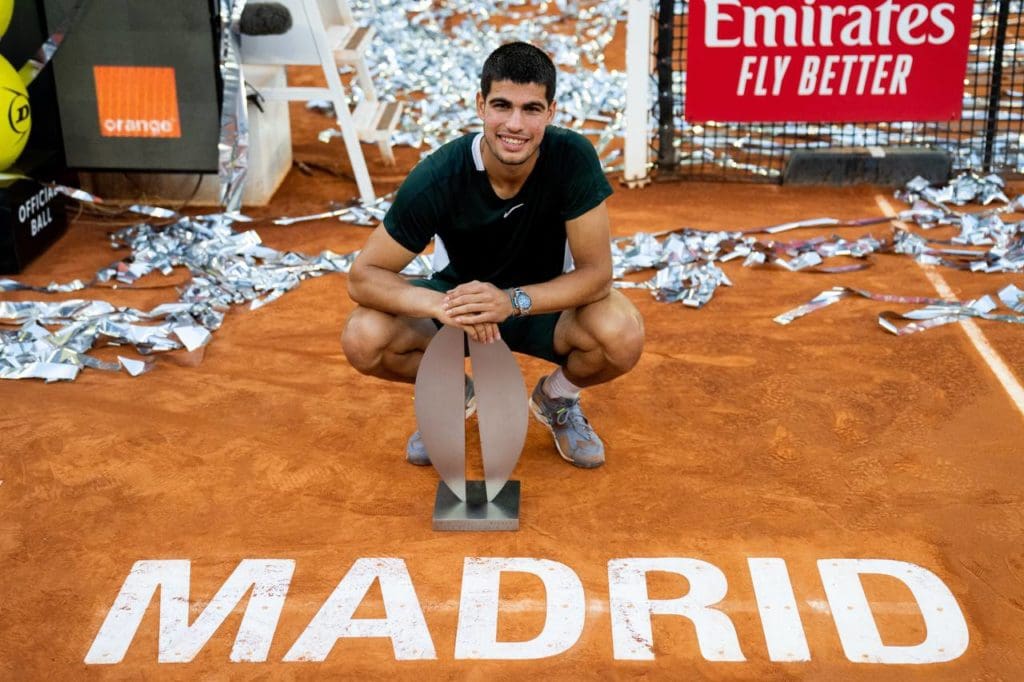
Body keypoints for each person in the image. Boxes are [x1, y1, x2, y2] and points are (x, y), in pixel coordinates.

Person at [342, 41, 644, 469]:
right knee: (363, 337)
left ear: (551, 112)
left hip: (540, 305)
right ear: (480, 104)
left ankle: (555, 400)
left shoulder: (573, 158)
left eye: (531, 109)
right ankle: (449, 395)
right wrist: (445, 305)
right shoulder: (441, 173)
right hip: (458, 307)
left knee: (621, 333)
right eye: (502, 105)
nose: (515, 124)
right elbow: (363, 276)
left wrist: (511, 301)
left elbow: (597, 275)